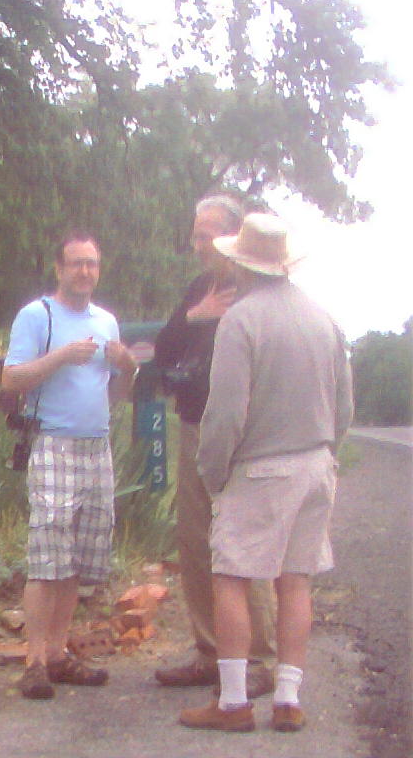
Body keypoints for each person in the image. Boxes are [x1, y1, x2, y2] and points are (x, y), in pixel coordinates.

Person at [179, 213, 353, 734]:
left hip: (260, 467)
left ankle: (233, 703)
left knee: (230, 576)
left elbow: (226, 411)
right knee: (294, 581)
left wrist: (214, 473)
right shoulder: (324, 319)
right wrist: (327, 451)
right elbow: (344, 405)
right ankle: (288, 698)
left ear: (239, 261)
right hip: (316, 463)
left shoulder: (242, 319)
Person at [1, 232, 137, 700]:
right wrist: (61, 356)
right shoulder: (37, 315)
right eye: (76, 264)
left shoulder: (107, 321)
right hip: (53, 442)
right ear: (59, 269)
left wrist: (129, 368)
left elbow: (117, 394)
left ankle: (59, 653)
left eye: (92, 264)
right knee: (47, 554)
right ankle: (34, 660)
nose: (85, 272)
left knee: (78, 554)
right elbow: (11, 378)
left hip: (96, 446)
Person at [152, 195, 276, 698]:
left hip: (246, 431)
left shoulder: (257, 288)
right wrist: (196, 315)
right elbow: (163, 350)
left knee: (245, 543)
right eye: (196, 234)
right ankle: (211, 651)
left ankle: (258, 660)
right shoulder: (200, 288)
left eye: (207, 235)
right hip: (195, 423)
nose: (198, 244)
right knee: (196, 540)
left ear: (232, 236)